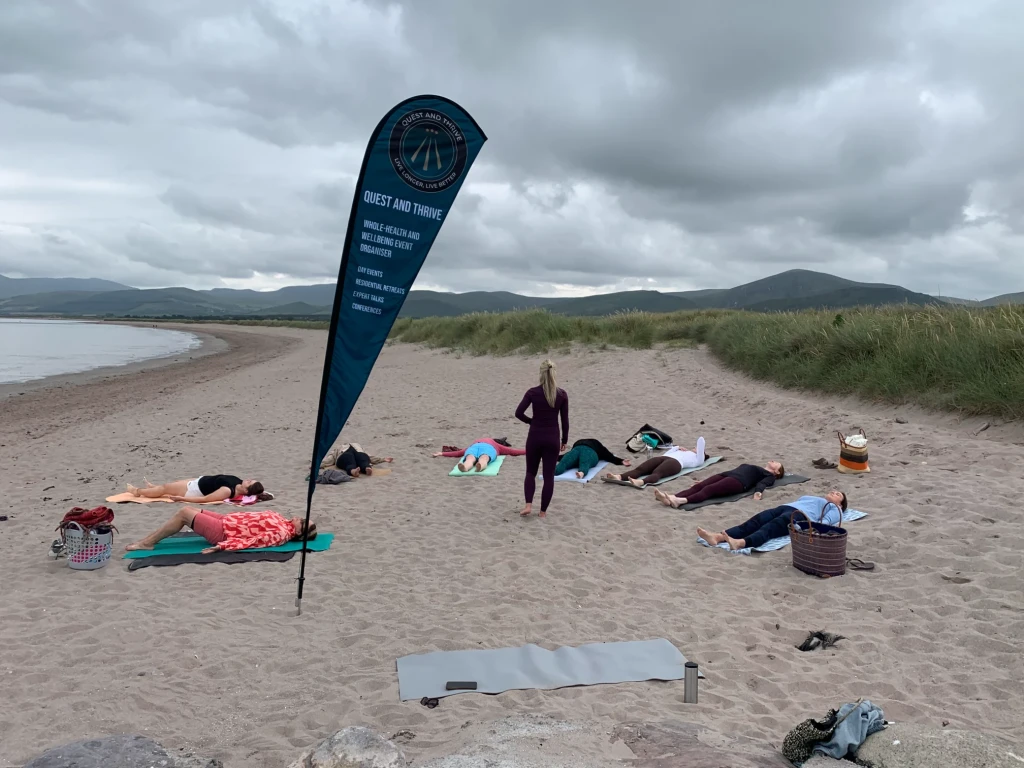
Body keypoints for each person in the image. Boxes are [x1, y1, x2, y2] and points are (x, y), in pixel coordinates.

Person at [697, 490, 848, 551]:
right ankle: (717, 537)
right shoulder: (814, 498)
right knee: (754, 522)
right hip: (784, 507)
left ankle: (741, 543)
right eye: (834, 491)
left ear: (840, 504)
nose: (834, 492)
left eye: (838, 495)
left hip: (800, 516)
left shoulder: (836, 509)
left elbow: (826, 522)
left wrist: (806, 527)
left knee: (769, 528)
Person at [125, 505, 317, 553]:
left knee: (184, 513)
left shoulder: (281, 533)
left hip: (224, 532)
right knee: (189, 510)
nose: (301, 519)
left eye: (303, 523)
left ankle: (147, 543)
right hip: (226, 520)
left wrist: (223, 547)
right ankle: (147, 539)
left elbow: (254, 542)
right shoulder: (283, 522)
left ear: (299, 533)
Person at [515, 359, 569, 518]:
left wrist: (531, 421)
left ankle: (528, 505)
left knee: (530, 472)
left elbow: (518, 413)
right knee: (548, 476)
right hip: (552, 438)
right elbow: (565, 421)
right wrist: (564, 440)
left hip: (535, 437)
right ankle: (543, 512)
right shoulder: (562, 395)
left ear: (541, 374)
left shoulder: (532, 392)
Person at [654, 460, 785, 509]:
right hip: (727, 474)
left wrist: (758, 493)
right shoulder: (758, 468)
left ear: (777, 471)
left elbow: (763, 484)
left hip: (739, 482)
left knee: (709, 489)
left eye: (776, 463)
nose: (773, 460)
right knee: (698, 486)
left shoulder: (770, 476)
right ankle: (670, 497)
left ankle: (679, 501)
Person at [604, 438, 706, 488]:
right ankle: (619, 477)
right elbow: (667, 452)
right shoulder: (683, 451)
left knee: (657, 473)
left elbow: (701, 442)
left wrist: (700, 450)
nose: (694, 448)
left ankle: (641, 482)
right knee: (641, 469)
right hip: (664, 457)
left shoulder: (697, 459)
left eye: (696, 448)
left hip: (676, 463)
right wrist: (677, 447)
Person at [126, 475, 268, 503]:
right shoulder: (238, 482)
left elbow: (204, 499)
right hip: (198, 481)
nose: (248, 479)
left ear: (246, 490)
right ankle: (152, 488)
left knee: (165, 488)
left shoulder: (227, 490)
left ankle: (137, 492)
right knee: (172, 483)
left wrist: (182, 498)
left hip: (193, 489)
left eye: (250, 482)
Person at [432, 437, 527, 472]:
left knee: (470, 458)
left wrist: (442, 453)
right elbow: (512, 451)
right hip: (489, 448)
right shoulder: (496, 445)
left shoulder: (476, 441)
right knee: (485, 458)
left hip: (474, 447)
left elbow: (458, 453)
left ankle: (465, 467)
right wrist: (528, 451)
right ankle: (480, 466)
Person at [556, 438, 632, 479]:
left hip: (578, 449)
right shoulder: (596, 443)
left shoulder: (592, 443)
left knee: (565, 461)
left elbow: (566, 456)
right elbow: (608, 455)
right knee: (585, 461)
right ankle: (582, 472)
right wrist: (621, 461)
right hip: (586, 450)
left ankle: (555, 471)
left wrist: (555, 457)